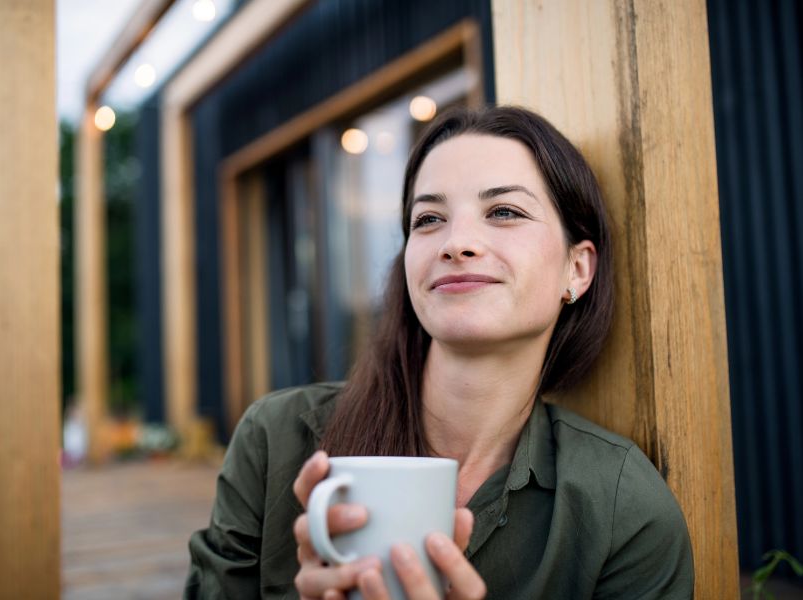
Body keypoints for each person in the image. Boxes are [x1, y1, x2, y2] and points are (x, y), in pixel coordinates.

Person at [183, 106, 694, 599]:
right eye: (428, 219)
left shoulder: (623, 507)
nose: (457, 242)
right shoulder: (276, 440)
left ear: (576, 270)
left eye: (504, 212)